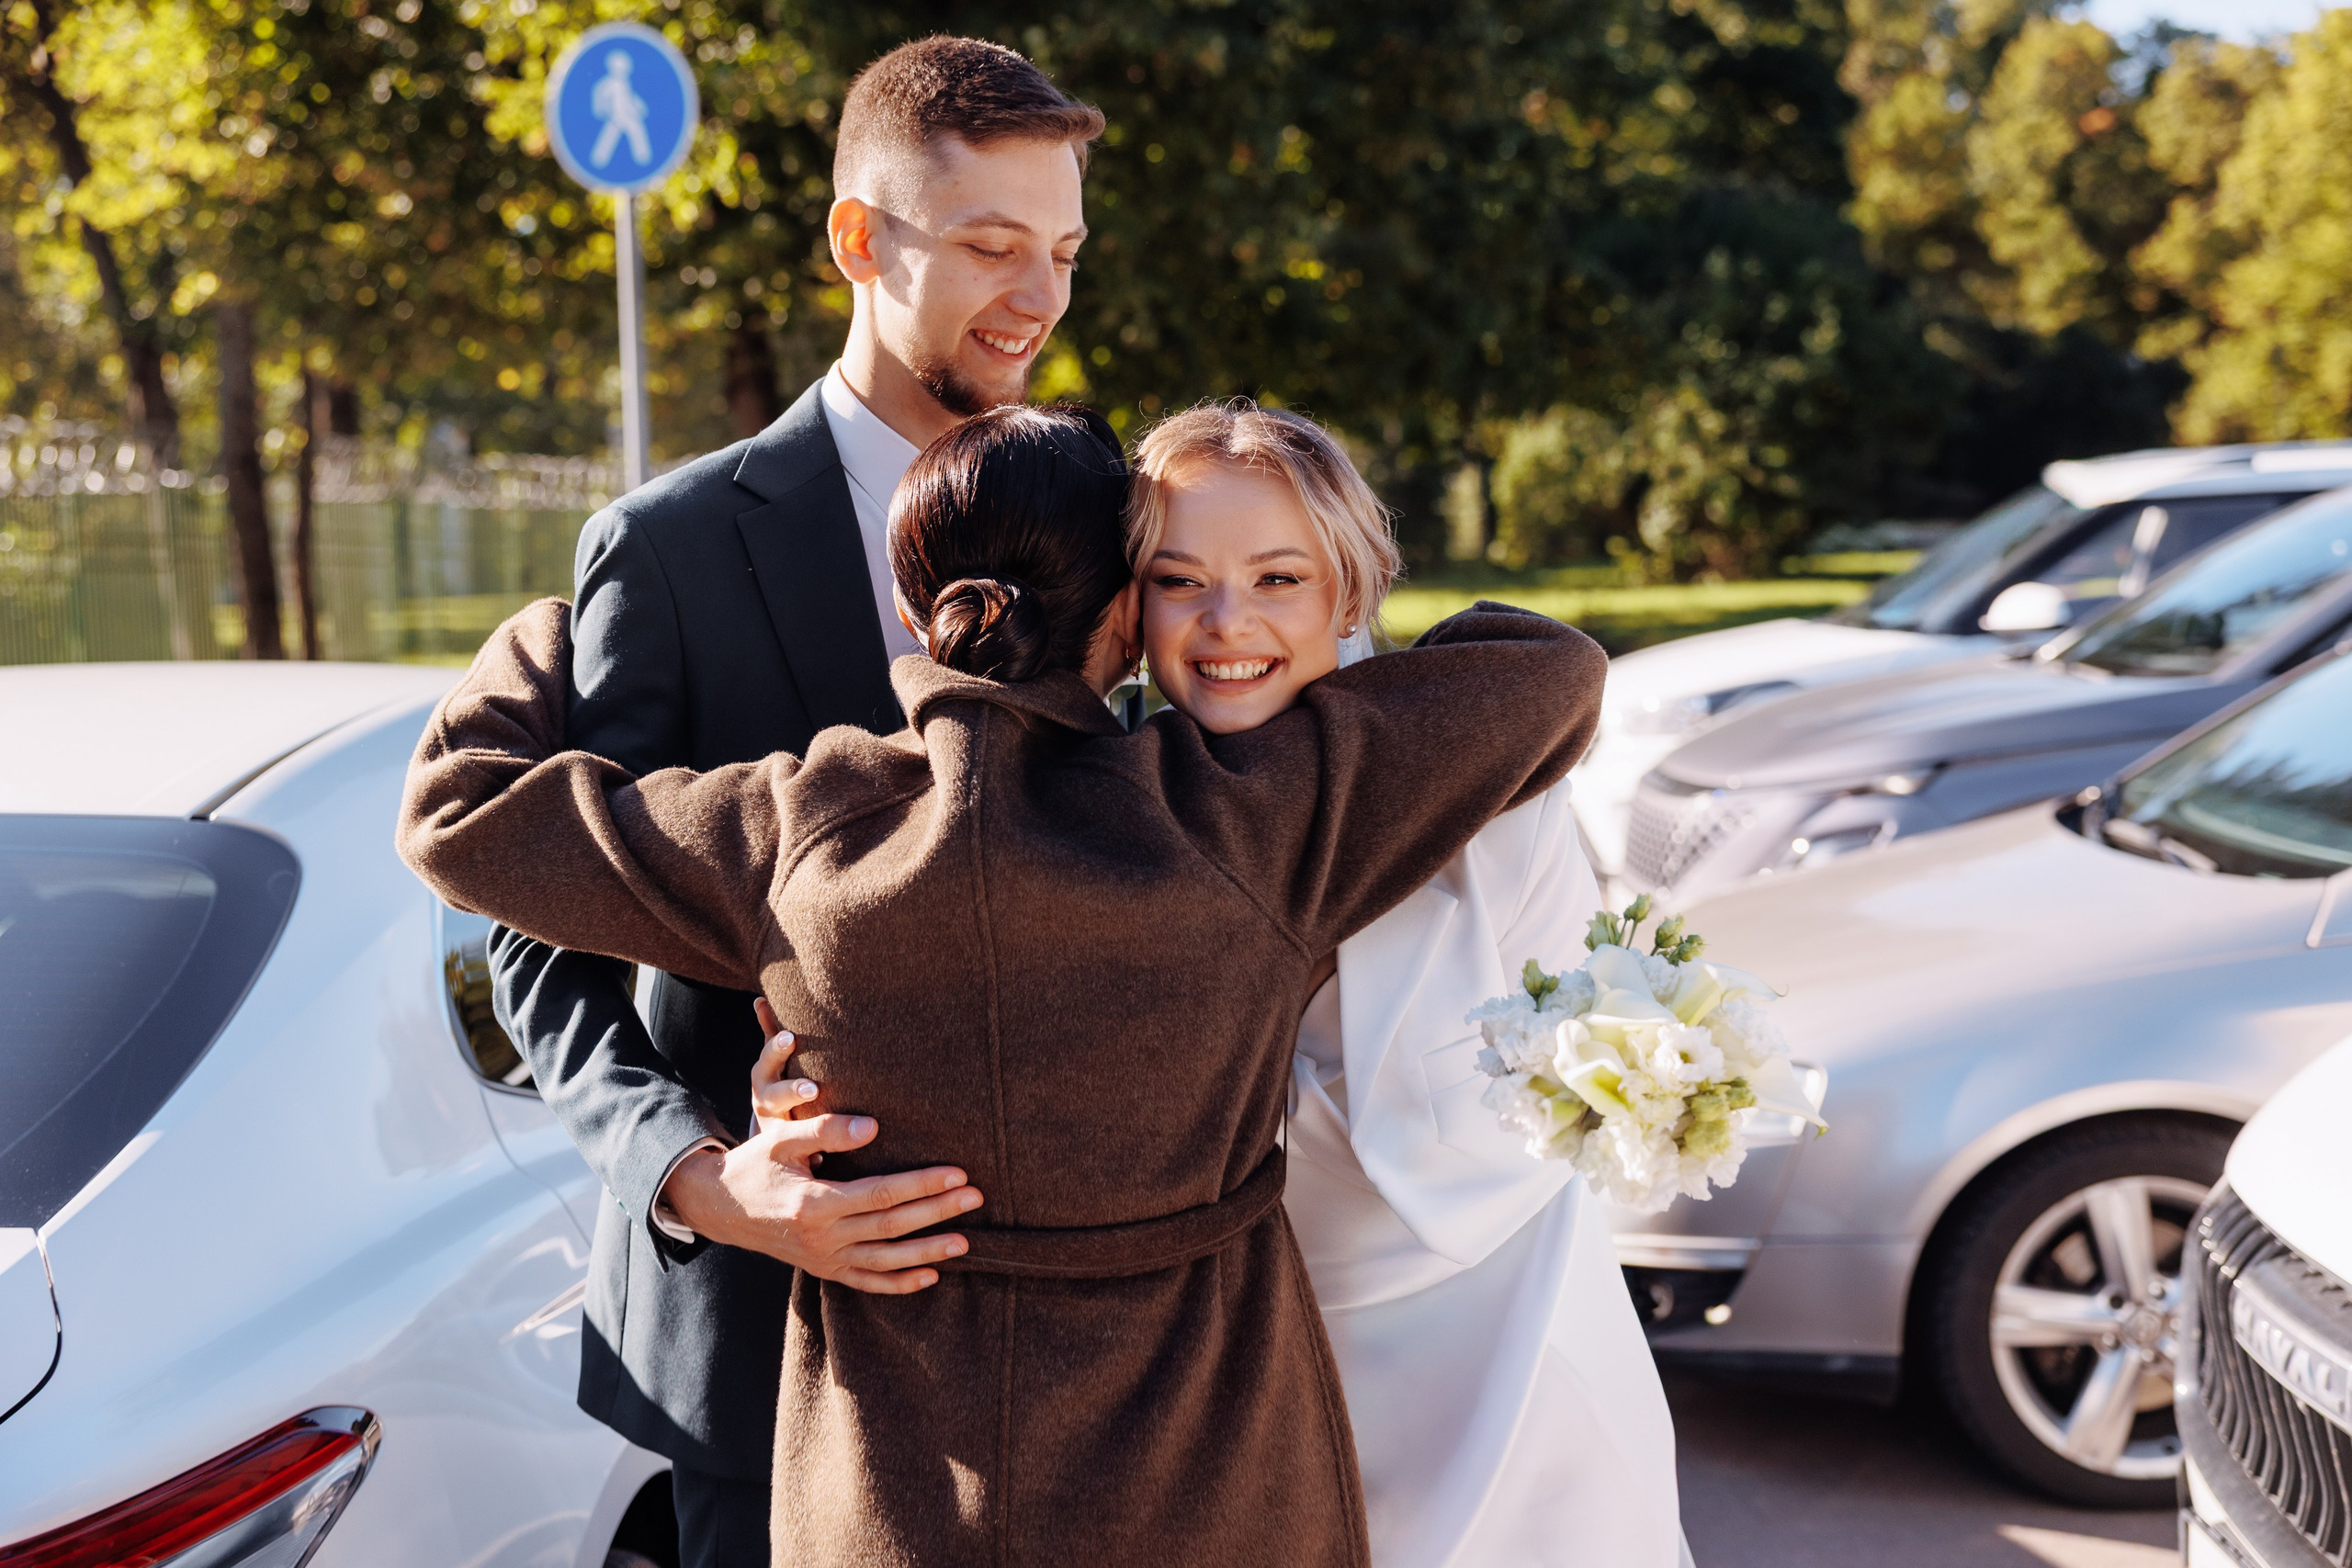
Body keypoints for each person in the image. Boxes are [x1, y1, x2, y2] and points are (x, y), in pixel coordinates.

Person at [399, 404, 1609, 1566]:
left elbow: (457, 814)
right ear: (1126, 615)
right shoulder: (1249, 815)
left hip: (893, 1500)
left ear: (918, 609)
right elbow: (1545, 668)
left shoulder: (792, 833)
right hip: (1204, 1491)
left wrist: (548, 626)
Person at [760, 400, 1691, 1565]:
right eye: (1178, 578)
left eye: (1279, 578)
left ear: (1350, 593)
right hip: (1223, 1416)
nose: (1224, 624)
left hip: (1497, 1380)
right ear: (1121, 605)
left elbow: (1541, 1118)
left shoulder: (1483, 792)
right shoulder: (1096, 805)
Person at [481, 37, 1102, 1564]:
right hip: (762, 1346)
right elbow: (544, 945)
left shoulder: (1105, 510)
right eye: (990, 246)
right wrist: (706, 1177)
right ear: (857, 241)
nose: (1040, 296)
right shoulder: (673, 547)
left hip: (1063, 1348)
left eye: (1067, 250)